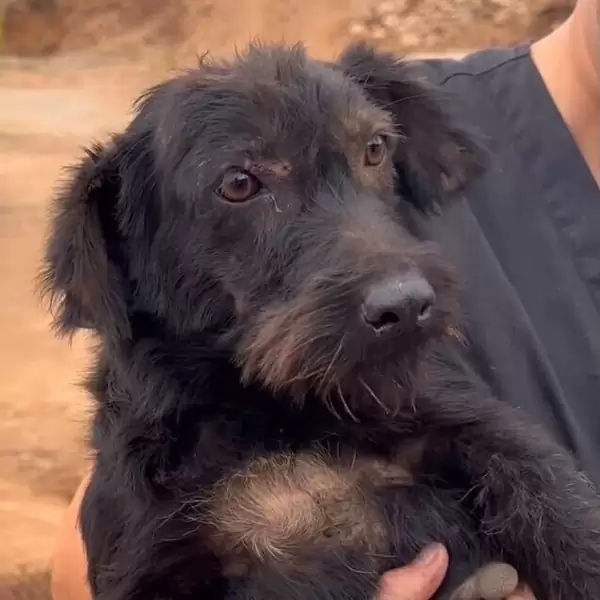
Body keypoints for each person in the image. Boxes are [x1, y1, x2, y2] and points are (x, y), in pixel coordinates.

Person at [50, 0, 599, 597]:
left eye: (371, 155)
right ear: (122, 250)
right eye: (242, 184)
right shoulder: (175, 484)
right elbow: (97, 559)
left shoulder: (446, 427)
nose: (400, 287)